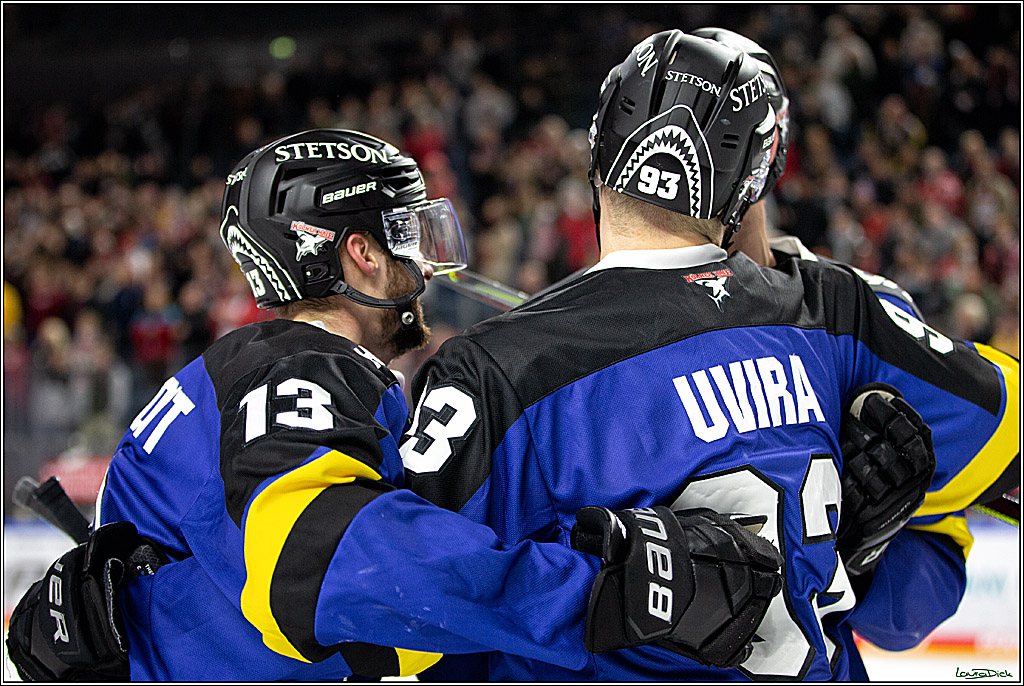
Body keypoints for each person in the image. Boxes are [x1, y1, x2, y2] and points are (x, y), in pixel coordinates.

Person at [5, 129, 784, 681]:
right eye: (405, 233)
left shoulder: (250, 369)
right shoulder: (300, 365)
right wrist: (599, 594)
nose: (422, 258)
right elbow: (319, 565)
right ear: (360, 253)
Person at [403, 31, 1019, 680]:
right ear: (755, 177)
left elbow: (397, 606)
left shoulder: (496, 367)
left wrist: (863, 555)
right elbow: (1005, 426)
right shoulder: (835, 312)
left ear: (597, 151)